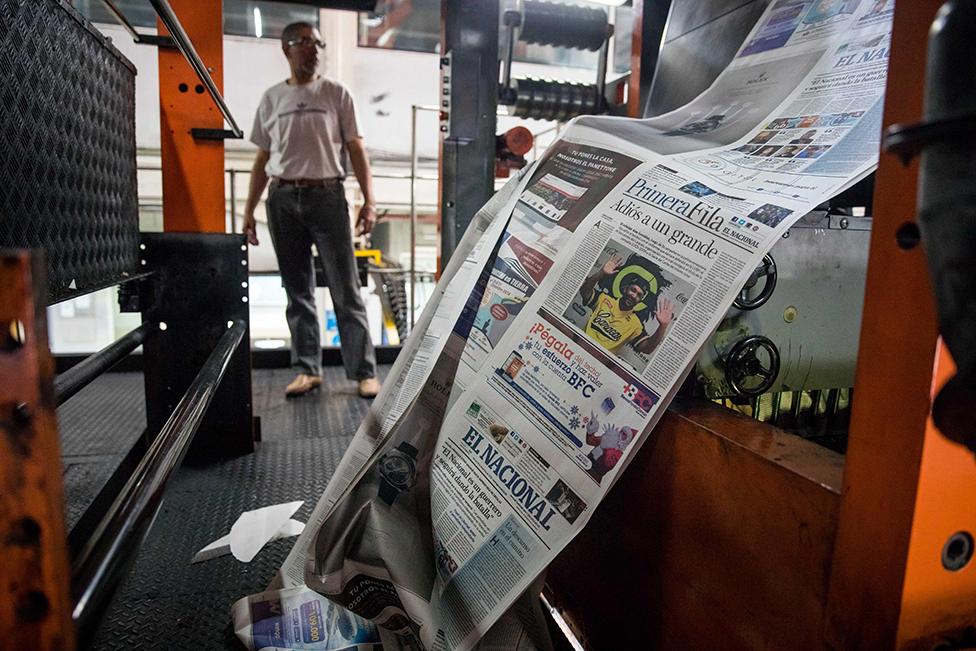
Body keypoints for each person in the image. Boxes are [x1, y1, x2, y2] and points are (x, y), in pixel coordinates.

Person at [243, 21, 380, 398]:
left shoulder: (336, 93)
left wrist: (370, 201)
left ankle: (364, 373)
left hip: (328, 198)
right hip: (283, 199)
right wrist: (248, 212)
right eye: (305, 42)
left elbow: (356, 150)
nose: (314, 49)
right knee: (296, 290)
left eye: (318, 43)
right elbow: (262, 159)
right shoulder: (272, 98)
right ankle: (307, 369)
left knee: (345, 289)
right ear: (286, 49)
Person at [579, 254, 674, 356]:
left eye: (639, 295)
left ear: (640, 301)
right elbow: (584, 291)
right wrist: (601, 273)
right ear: (625, 289)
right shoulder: (604, 299)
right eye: (633, 290)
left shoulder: (636, 324)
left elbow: (647, 349)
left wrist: (663, 326)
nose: (634, 296)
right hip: (578, 346)